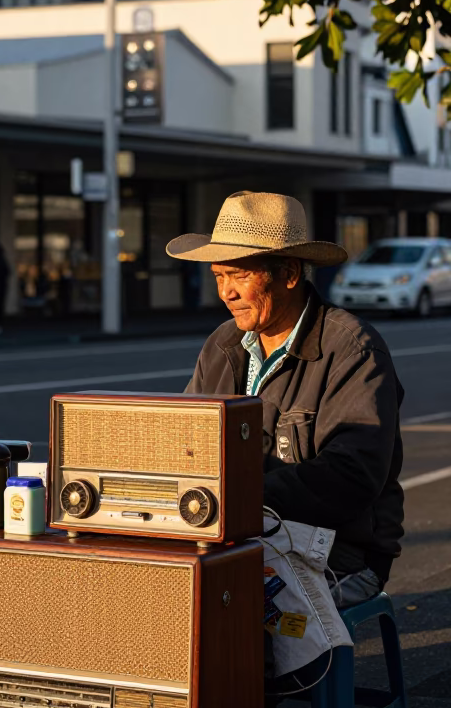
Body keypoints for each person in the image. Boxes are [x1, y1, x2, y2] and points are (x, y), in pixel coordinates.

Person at [167, 190, 404, 606]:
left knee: (228, 610)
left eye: (239, 275)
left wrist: (240, 498)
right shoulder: (223, 343)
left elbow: (351, 476)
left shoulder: (352, 349)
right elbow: (186, 436)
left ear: (290, 273)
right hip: (241, 534)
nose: (227, 292)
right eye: (219, 276)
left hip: (337, 554)